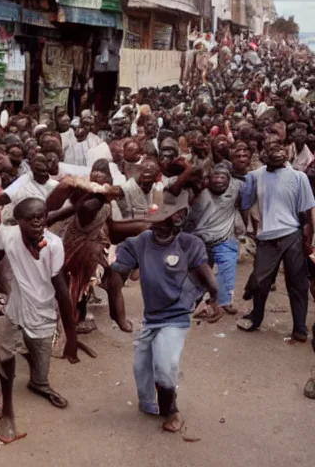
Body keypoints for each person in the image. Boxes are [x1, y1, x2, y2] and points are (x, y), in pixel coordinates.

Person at [0, 198, 80, 444]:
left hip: (43, 311)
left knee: (41, 360)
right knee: (5, 355)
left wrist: (71, 337)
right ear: (18, 221)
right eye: (31, 218)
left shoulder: (53, 245)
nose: (38, 222)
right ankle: (7, 414)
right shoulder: (7, 236)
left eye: (42, 216)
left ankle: (39, 384)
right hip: (17, 307)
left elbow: (62, 291)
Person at [110, 191, 221, 433]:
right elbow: (117, 273)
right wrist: (116, 312)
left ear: (180, 218)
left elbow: (205, 274)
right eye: (155, 222)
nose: (160, 227)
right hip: (151, 317)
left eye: (167, 220)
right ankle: (152, 402)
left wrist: (216, 299)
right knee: (141, 366)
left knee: (165, 363)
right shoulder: (140, 242)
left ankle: (172, 410)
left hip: (177, 315)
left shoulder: (189, 244)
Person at [236, 135, 315, 342]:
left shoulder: (299, 177)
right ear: (264, 153)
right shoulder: (256, 176)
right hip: (267, 236)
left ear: (287, 151)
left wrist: (307, 240)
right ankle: (256, 317)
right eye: (271, 147)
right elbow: (244, 199)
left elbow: (307, 214)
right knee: (260, 282)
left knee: (297, 283)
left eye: (280, 146)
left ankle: (299, 328)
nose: (277, 151)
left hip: (292, 235)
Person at [183, 163, 243, 319]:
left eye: (223, 177)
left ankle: (222, 302)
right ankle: (191, 303)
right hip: (200, 239)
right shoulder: (199, 191)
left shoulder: (237, 187)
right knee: (199, 275)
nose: (218, 180)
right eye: (215, 177)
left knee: (227, 269)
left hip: (224, 239)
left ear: (229, 180)